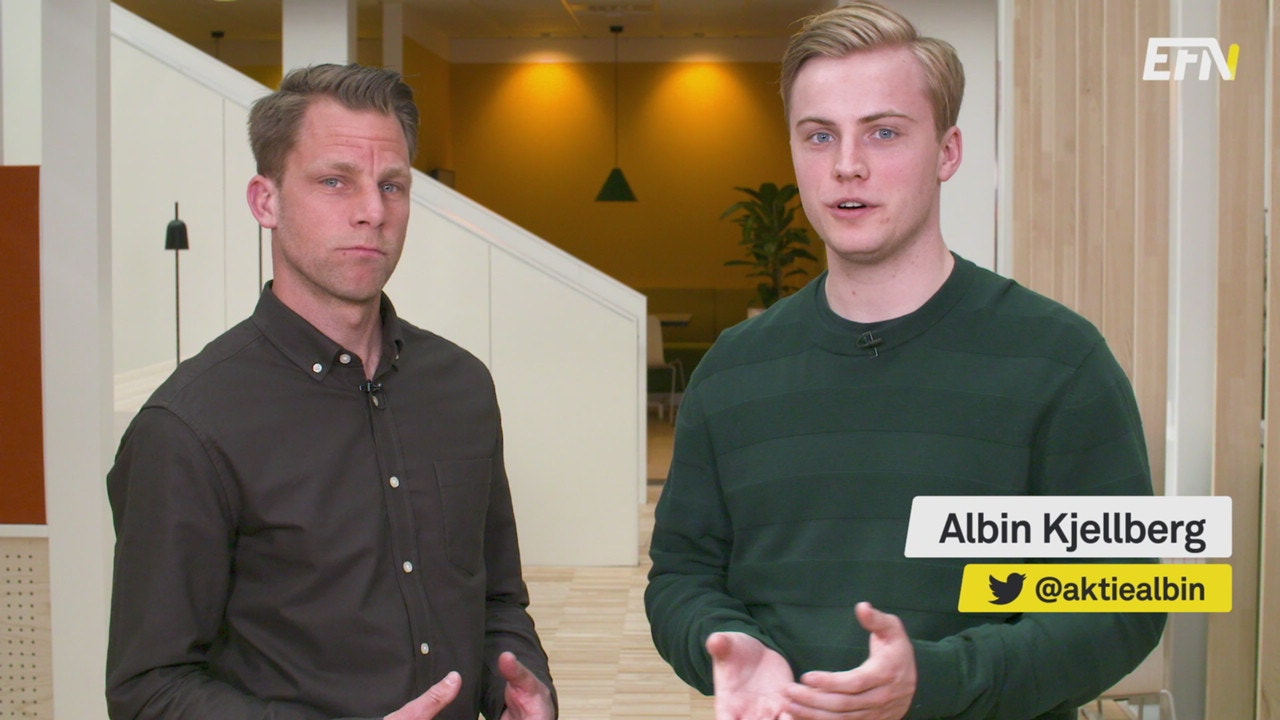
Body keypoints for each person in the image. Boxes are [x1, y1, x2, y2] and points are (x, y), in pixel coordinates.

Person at [644, 4, 1165, 719]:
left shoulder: (1060, 361)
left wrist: (939, 679)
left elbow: (1122, 602)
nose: (847, 165)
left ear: (948, 152)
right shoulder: (733, 371)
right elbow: (681, 576)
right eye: (819, 135)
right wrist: (726, 642)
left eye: (883, 132)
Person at [106, 63, 556, 720]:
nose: (373, 211)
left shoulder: (461, 387)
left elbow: (495, 601)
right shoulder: (187, 426)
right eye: (334, 181)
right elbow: (150, 689)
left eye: (392, 185)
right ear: (266, 202)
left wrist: (517, 688)